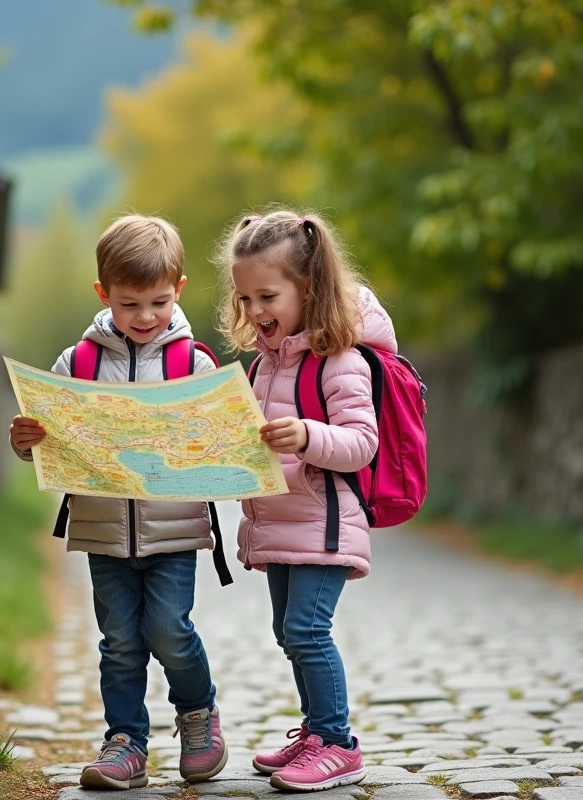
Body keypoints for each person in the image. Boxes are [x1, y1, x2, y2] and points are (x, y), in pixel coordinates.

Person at [9, 215, 228, 790]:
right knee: (121, 643)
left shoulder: (193, 366)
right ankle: (126, 740)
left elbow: (214, 445)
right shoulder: (77, 366)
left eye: (158, 301)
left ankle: (198, 712)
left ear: (178, 290)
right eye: (130, 304)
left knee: (168, 629)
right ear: (104, 295)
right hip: (103, 531)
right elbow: (47, 449)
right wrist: (27, 443)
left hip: (174, 530)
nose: (146, 316)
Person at [217, 208, 397, 792]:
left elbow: (362, 443)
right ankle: (316, 734)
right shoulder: (263, 367)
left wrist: (308, 435)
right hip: (281, 522)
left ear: (308, 288)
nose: (254, 311)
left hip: (324, 523)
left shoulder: (339, 358)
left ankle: (338, 742)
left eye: (266, 295)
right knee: (286, 629)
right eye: (244, 299)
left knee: (307, 630)